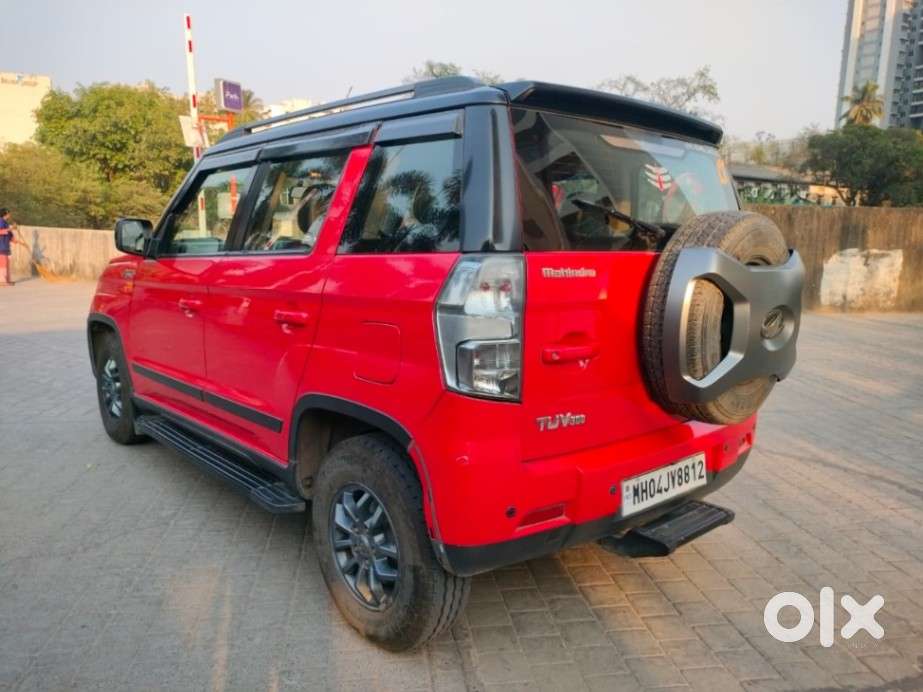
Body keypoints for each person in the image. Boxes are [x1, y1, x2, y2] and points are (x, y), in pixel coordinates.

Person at [0, 208, 17, 286]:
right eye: (8, 213)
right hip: (1, 246)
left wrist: (14, 240)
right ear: (5, 214)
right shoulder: (0, 221)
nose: (9, 215)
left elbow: (9, 234)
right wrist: (11, 228)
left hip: (6, 246)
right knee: (3, 264)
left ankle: (7, 280)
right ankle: (2, 281)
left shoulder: (5, 223)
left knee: (7, 264)